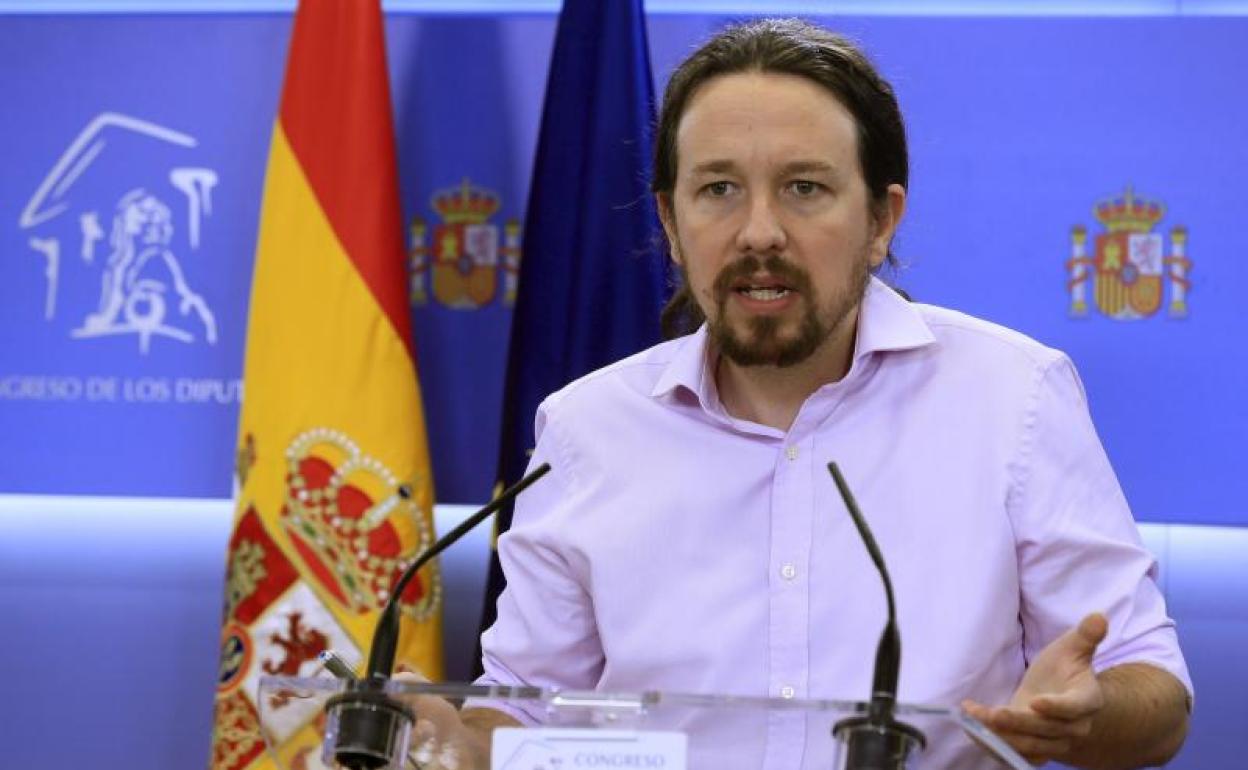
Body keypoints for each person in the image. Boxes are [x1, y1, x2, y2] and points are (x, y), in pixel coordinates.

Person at [418, 18, 1192, 770]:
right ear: (671, 223)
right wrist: (452, 749)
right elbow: (522, 712)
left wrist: (1089, 712)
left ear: (882, 220)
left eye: (804, 188)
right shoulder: (586, 430)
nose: (759, 231)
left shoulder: (1012, 398)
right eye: (719, 188)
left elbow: (1153, 692)